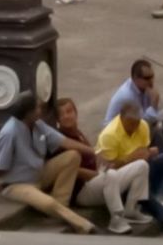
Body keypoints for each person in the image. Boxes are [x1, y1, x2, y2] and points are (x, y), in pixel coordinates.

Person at [0, 89, 92, 232]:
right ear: (28, 113)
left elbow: (65, 142)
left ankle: (61, 203)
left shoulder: (38, 125)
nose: (41, 110)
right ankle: (85, 226)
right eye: (37, 108)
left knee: (73, 156)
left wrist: (96, 152)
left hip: (38, 175)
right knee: (48, 203)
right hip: (17, 185)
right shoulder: (9, 132)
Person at [95, 101, 163, 236]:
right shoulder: (109, 135)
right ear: (121, 117)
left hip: (140, 173)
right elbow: (108, 169)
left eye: (136, 123)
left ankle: (149, 196)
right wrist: (129, 159)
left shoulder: (142, 126)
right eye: (130, 123)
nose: (134, 127)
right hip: (118, 179)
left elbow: (144, 153)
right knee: (142, 173)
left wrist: (148, 153)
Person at [105, 60, 163, 186]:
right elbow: (140, 122)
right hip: (121, 134)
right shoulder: (127, 96)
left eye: (152, 76)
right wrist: (154, 103)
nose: (151, 81)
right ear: (135, 78)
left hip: (134, 129)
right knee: (156, 132)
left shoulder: (145, 90)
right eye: (146, 78)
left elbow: (148, 120)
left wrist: (155, 115)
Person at [54, 97, 140, 234]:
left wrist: (104, 166)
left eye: (69, 111)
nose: (66, 116)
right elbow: (72, 170)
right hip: (82, 191)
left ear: (76, 113)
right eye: (61, 115)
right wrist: (98, 175)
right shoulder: (61, 140)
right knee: (111, 175)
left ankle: (131, 209)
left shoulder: (78, 133)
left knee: (140, 166)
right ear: (57, 120)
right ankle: (116, 220)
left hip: (97, 180)